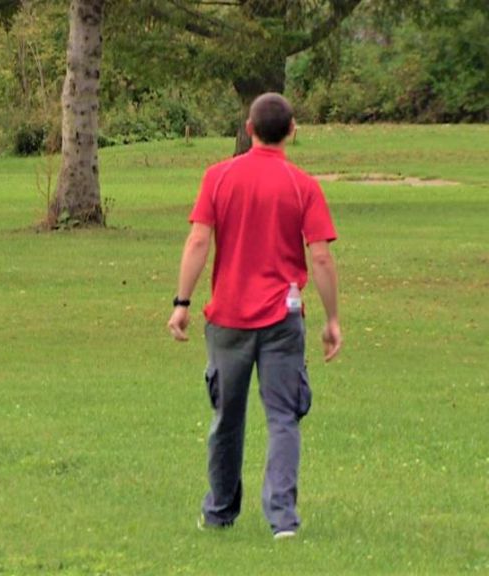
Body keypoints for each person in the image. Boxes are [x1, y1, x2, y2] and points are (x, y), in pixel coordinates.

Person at [166, 93, 342, 540]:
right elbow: (319, 257)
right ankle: (283, 519)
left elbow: (198, 242)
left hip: (227, 319)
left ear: (248, 128)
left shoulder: (218, 177)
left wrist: (182, 303)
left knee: (227, 417)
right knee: (283, 417)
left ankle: (220, 512)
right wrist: (331, 319)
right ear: (292, 131)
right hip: (283, 318)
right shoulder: (303, 185)